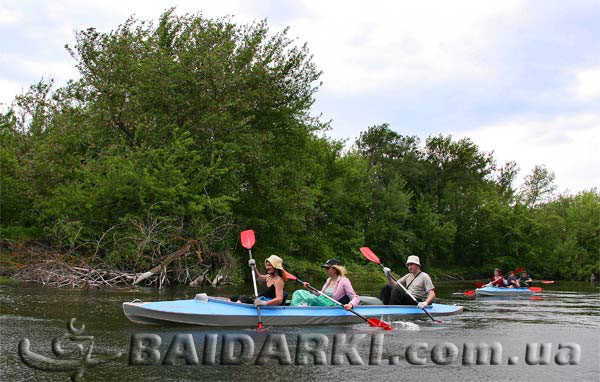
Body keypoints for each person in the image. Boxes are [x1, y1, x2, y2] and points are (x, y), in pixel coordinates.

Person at [290, 258, 360, 310]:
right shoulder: (328, 280)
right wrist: (309, 287)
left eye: (327, 268)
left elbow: (355, 297)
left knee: (312, 298)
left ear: (335, 269)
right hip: (323, 302)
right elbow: (320, 294)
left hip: (332, 306)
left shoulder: (344, 281)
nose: (325, 270)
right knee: (298, 292)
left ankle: (301, 308)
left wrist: (351, 305)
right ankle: (295, 309)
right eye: (325, 268)